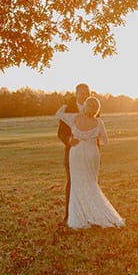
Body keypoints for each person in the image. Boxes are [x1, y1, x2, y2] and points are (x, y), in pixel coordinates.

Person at [55, 96, 125, 230]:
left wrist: (64, 106)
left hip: (76, 151)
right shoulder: (99, 122)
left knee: (77, 183)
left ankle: (81, 216)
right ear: (97, 110)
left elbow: (59, 114)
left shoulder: (75, 117)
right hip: (92, 153)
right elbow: (105, 141)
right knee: (91, 183)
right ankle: (97, 213)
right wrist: (92, 137)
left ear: (86, 106)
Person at [57, 83, 90, 221]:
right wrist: (69, 140)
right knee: (72, 182)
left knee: (89, 183)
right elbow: (61, 133)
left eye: (85, 93)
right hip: (73, 153)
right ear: (76, 94)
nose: (83, 95)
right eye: (80, 93)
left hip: (89, 153)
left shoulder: (93, 107)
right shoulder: (68, 110)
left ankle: (88, 214)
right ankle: (70, 215)